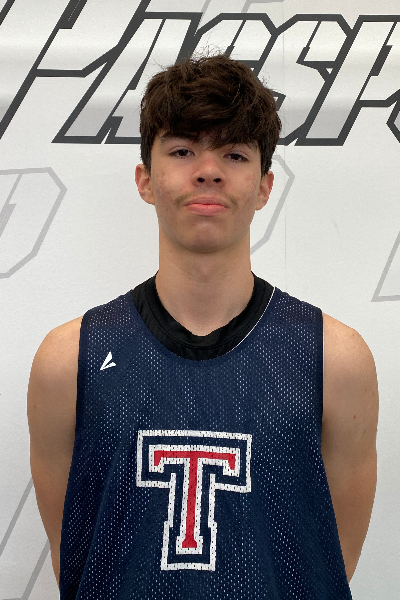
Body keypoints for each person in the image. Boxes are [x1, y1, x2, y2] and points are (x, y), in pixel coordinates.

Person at [27, 54, 379, 599]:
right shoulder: (68, 360)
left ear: (264, 186)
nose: (208, 170)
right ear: (145, 180)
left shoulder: (336, 360)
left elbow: (330, 561)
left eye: (234, 153)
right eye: (183, 150)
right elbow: (75, 552)